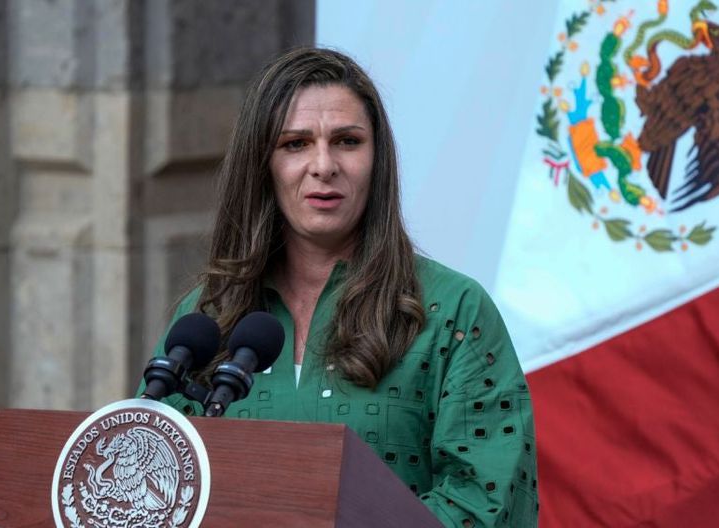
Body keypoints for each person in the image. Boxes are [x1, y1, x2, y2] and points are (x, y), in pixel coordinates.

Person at [138, 47, 538, 527]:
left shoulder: (453, 311)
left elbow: (486, 502)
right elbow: (145, 479)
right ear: (262, 164)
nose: (324, 165)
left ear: (377, 159)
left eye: (347, 141)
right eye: (295, 144)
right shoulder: (208, 316)